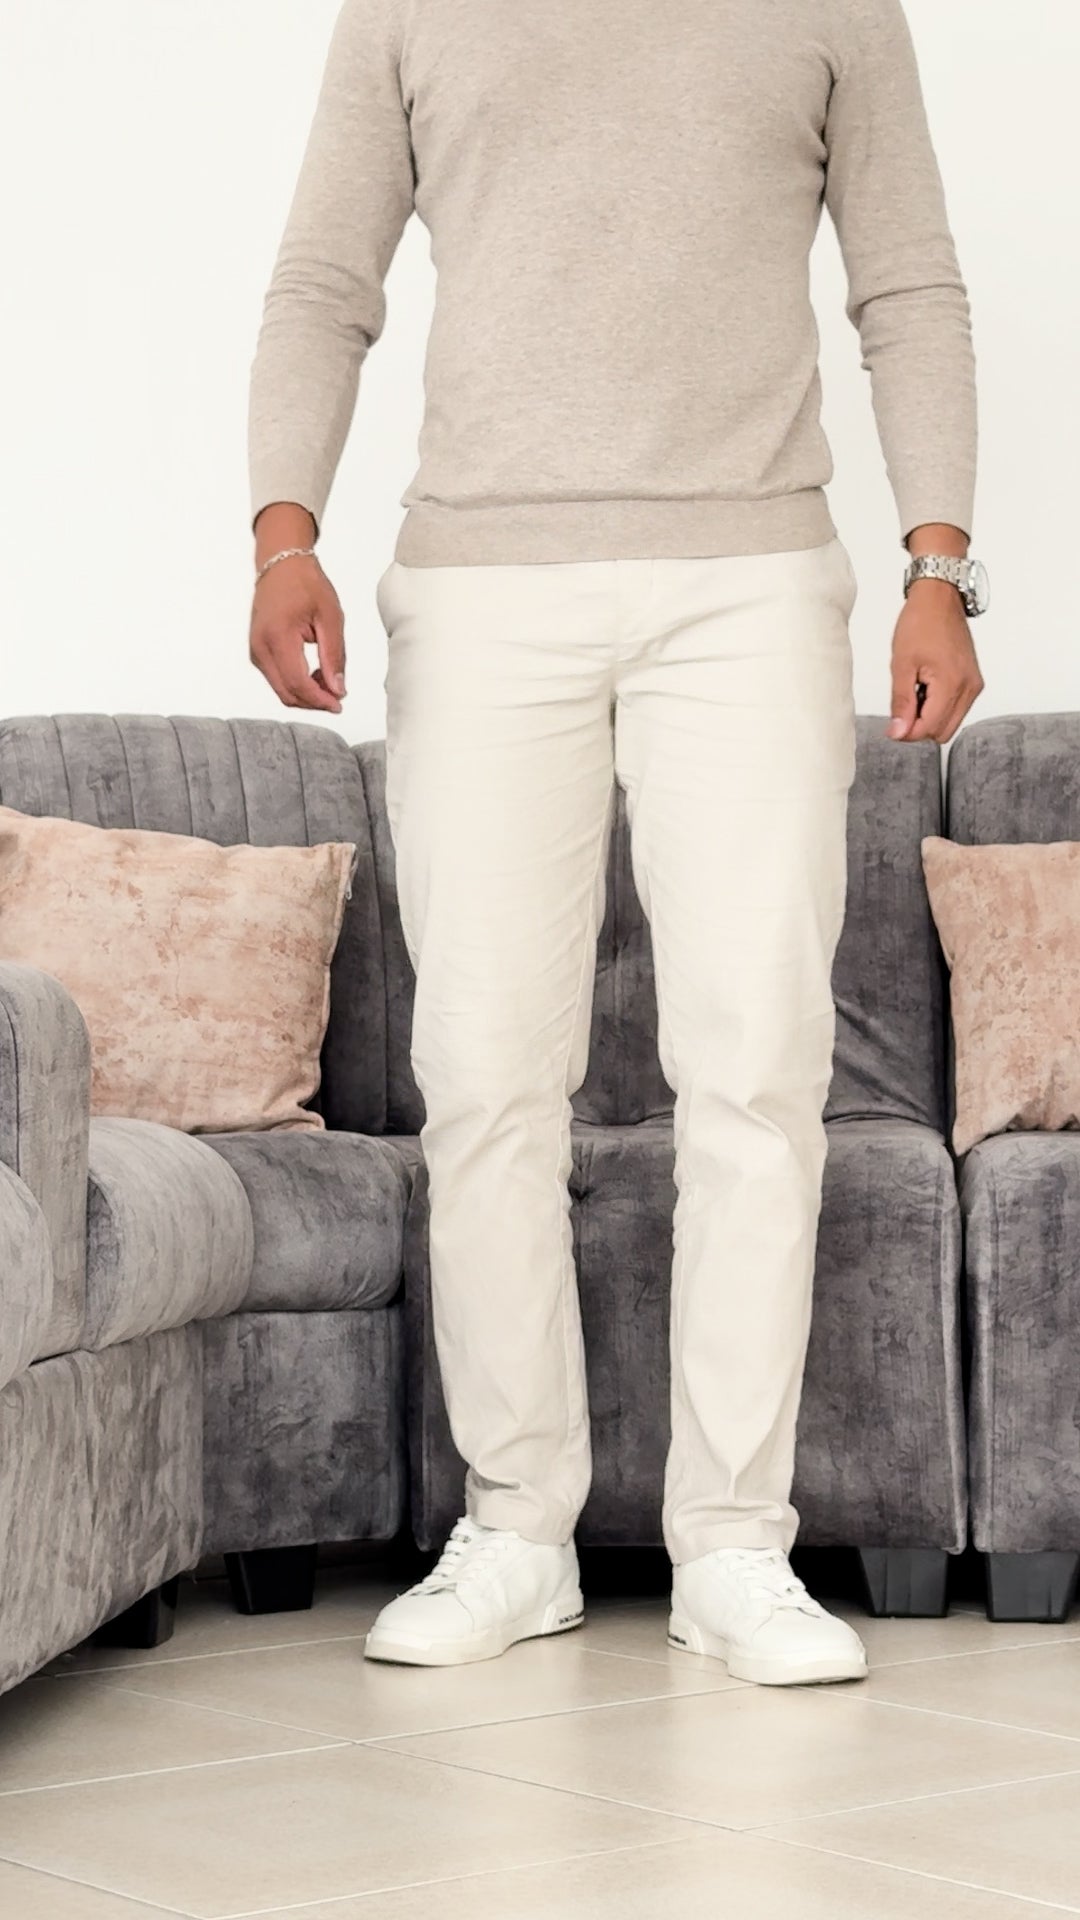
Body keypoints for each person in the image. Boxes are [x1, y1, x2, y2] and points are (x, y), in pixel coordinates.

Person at [247, 0, 985, 1685]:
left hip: (754, 582)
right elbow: (322, 281)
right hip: (481, 586)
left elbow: (909, 285)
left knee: (759, 1071)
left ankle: (736, 1546)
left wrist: (939, 567)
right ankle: (519, 1531)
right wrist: (285, 533)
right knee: (484, 1073)